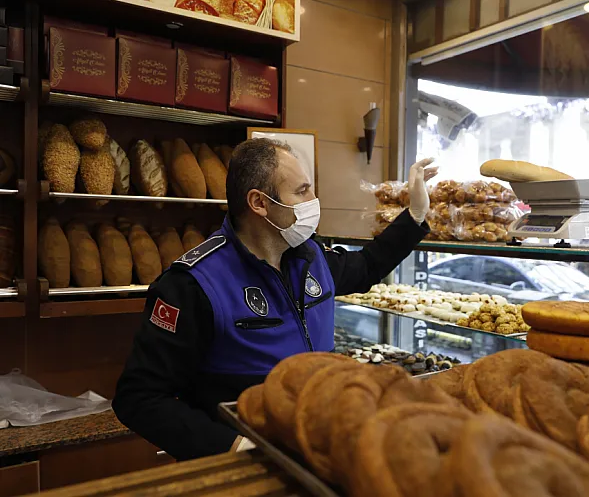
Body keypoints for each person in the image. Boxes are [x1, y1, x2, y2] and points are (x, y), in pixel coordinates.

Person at [113, 139, 436, 461]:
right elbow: (140, 399)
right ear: (259, 203)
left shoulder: (311, 258)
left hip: (315, 444)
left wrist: (415, 215)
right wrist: (236, 447)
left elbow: (367, 266)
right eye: (302, 191)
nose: (314, 200)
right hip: (244, 462)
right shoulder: (193, 284)